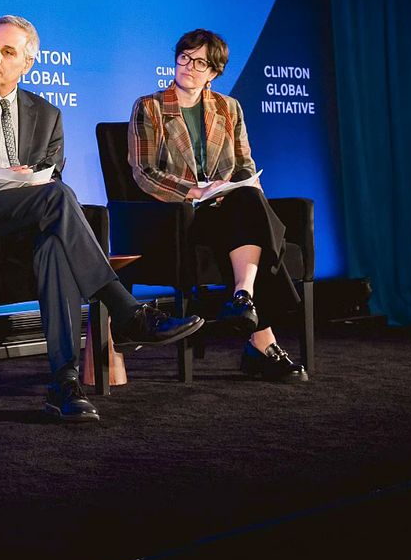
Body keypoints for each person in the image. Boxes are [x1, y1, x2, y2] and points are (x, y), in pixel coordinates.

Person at [0, 15, 205, 422]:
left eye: (8, 52)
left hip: (25, 219)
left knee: (54, 243)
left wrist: (26, 184)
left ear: (27, 63)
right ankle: (125, 310)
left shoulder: (47, 114)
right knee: (58, 198)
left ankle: (63, 384)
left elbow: (51, 182)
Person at [127, 29, 308, 382]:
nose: (189, 68)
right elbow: (144, 172)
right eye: (184, 58)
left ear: (213, 73)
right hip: (182, 215)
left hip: (228, 207)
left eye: (200, 63)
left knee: (248, 196)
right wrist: (194, 191)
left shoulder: (229, 107)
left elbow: (244, 162)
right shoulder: (149, 106)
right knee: (253, 216)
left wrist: (236, 183)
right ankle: (260, 335)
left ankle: (243, 298)